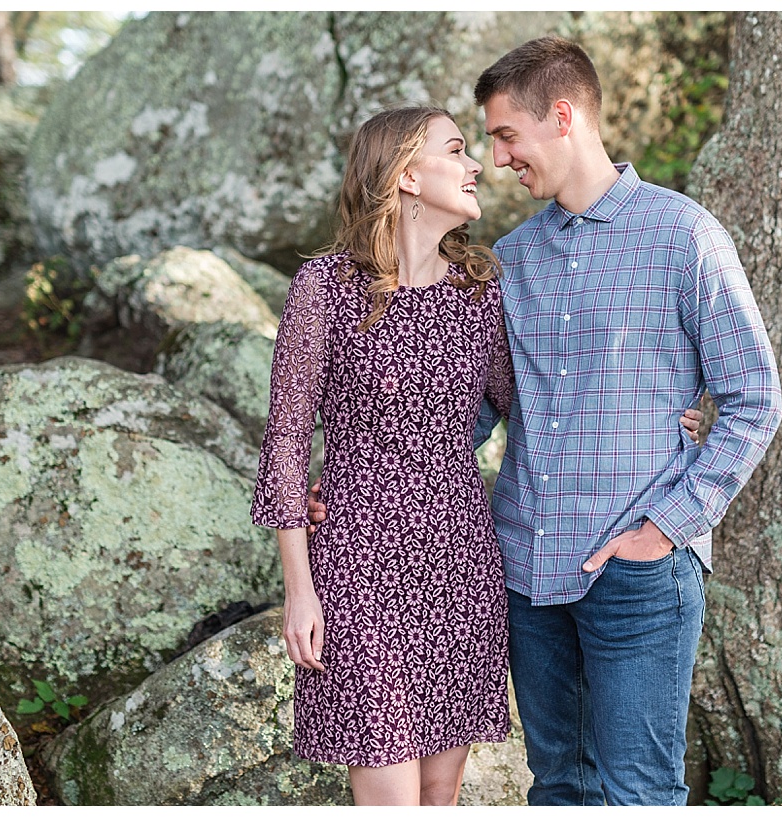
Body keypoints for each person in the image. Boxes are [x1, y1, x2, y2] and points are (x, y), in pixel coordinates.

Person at [254, 106, 706, 806]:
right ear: (406, 174)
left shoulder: (480, 290)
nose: (477, 167)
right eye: (458, 150)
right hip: (357, 562)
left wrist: (661, 414)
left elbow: (535, 395)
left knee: (439, 795)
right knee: (389, 791)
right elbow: (284, 435)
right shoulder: (325, 288)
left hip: (461, 563)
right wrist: (298, 587)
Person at [471, 37, 782, 805]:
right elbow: (482, 406)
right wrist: (360, 479)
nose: (499, 156)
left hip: (635, 570)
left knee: (638, 791)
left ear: (563, 116)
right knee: (558, 786)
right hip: (528, 566)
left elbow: (752, 396)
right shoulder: (513, 257)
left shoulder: (683, 235)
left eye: (506, 133)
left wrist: (666, 527)